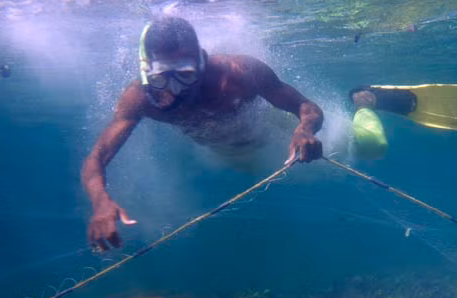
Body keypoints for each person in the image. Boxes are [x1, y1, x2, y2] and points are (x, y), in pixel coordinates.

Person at [82, 16, 324, 251]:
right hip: (226, 154)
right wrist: (100, 202)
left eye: (185, 74)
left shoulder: (239, 73)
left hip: (275, 133)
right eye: (161, 77)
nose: (175, 89)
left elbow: (307, 107)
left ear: (202, 59)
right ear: (147, 71)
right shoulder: (139, 98)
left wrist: (304, 130)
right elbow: (96, 158)